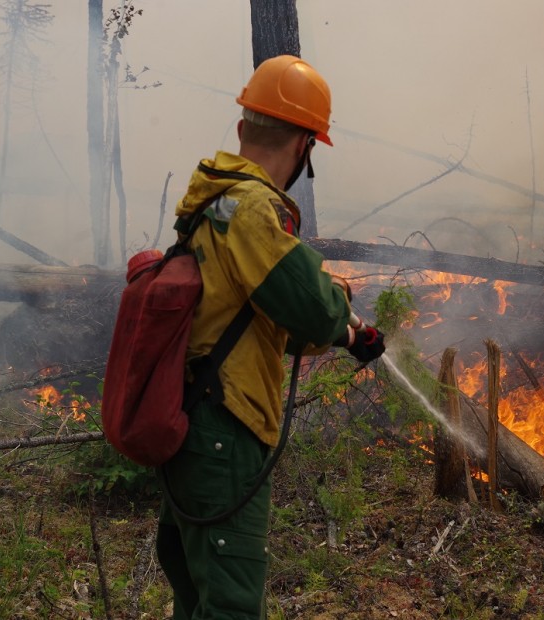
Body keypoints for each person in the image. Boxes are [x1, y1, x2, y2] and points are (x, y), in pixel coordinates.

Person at [155, 55, 385, 619]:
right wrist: (344, 319)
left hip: (193, 426)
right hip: (224, 433)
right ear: (306, 145)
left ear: (242, 128)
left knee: (198, 598)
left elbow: (266, 317)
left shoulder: (214, 201)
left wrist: (337, 330)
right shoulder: (253, 210)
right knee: (231, 605)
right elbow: (307, 305)